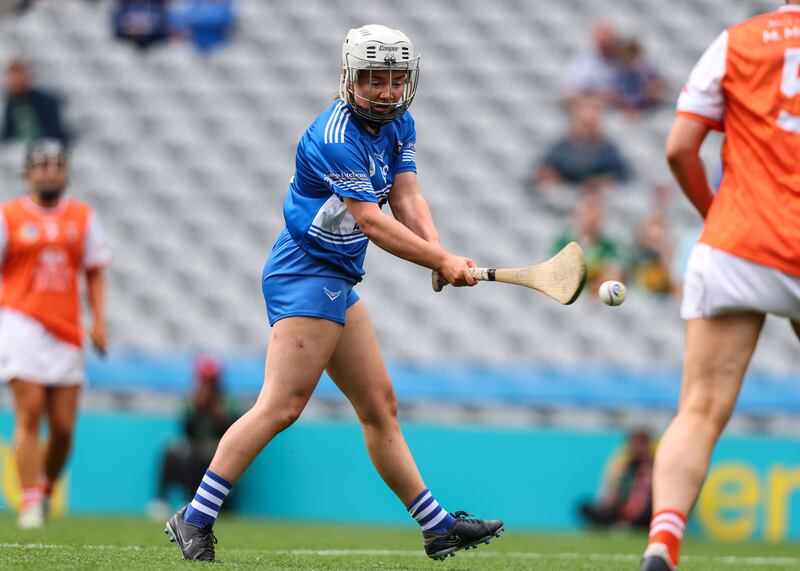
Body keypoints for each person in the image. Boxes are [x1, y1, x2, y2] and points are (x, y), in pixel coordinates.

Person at [164, 24, 504, 562]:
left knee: (379, 406)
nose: (389, 91)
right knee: (282, 405)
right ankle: (195, 516)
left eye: (396, 79)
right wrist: (439, 259)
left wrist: (437, 251)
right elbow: (371, 221)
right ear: (350, 79)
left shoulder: (400, 124)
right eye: (375, 79)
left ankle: (437, 527)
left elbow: (407, 196)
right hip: (305, 272)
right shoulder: (334, 137)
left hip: (336, 277)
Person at [640, 3, 800, 570]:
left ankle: (663, 541)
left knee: (701, 408)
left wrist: (715, 215)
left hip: (739, 245)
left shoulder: (738, 41)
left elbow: (680, 147)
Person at [0, 139, 111, 529]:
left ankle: (44, 490)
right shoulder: (8, 216)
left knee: (63, 428)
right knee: (29, 413)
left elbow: (95, 271)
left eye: (56, 164)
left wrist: (98, 320)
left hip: (66, 328)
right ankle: (30, 501)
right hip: (22, 323)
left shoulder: (82, 217)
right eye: (42, 164)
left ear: (65, 171)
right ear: (29, 171)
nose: (49, 171)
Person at [149, 354, 238, 518]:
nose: (207, 386)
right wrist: (198, 408)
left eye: (210, 381)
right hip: (193, 455)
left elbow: (235, 434)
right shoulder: (191, 401)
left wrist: (217, 414)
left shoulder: (228, 403)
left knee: (201, 455)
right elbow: (186, 431)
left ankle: (195, 501)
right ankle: (162, 500)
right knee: (172, 452)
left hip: (217, 458)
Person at [534, 96, 630, 192]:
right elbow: (545, 170)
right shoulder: (560, 147)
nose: (589, 116)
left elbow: (621, 176)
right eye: (584, 110)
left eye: (594, 110)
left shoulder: (608, 149)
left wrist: (604, 181)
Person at [579, 429, 654, 529]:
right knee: (585, 506)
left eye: (641, 443)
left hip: (644, 511)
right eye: (635, 443)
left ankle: (624, 525)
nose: (638, 447)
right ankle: (619, 524)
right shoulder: (623, 464)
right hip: (621, 507)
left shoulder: (655, 464)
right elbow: (610, 489)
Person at [553, 191, 623, 292]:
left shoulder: (609, 245)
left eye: (595, 215)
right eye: (587, 214)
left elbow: (614, 272)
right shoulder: (562, 241)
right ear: (578, 215)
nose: (590, 219)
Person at [1, 60, 68, 144]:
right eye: (12, 78)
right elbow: (7, 134)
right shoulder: (11, 103)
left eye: (18, 77)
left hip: (45, 147)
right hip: (18, 148)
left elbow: (54, 131)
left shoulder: (46, 101)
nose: (15, 82)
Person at [561, 21, 620, 106]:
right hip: (591, 105)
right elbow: (571, 90)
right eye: (602, 36)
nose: (606, 41)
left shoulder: (621, 61)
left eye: (608, 36)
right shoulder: (582, 60)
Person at [169, 0, 236, 54]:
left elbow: (221, 19)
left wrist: (194, 19)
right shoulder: (193, 3)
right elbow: (178, 19)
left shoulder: (227, 4)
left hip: (219, 46)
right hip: (192, 45)